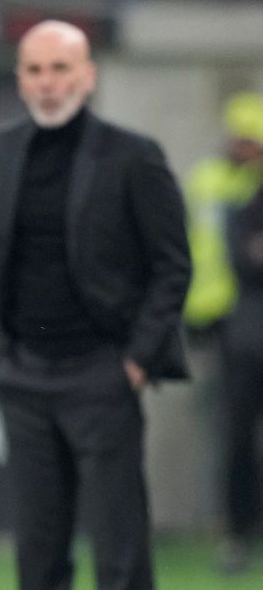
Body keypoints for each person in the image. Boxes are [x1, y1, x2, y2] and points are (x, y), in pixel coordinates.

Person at [0, 19, 191, 590]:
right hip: (24, 375)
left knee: (120, 550)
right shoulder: (1, 149)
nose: (48, 82)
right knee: (38, 553)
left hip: (103, 371)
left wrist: (136, 359)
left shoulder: (134, 156)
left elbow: (173, 266)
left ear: (88, 76)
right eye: (35, 70)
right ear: (21, 79)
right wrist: (7, 355)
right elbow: (7, 254)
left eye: (60, 68)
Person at [183, 93, 263, 574]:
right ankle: (236, 533)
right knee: (234, 438)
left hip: (241, 318)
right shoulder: (211, 182)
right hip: (226, 321)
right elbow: (208, 249)